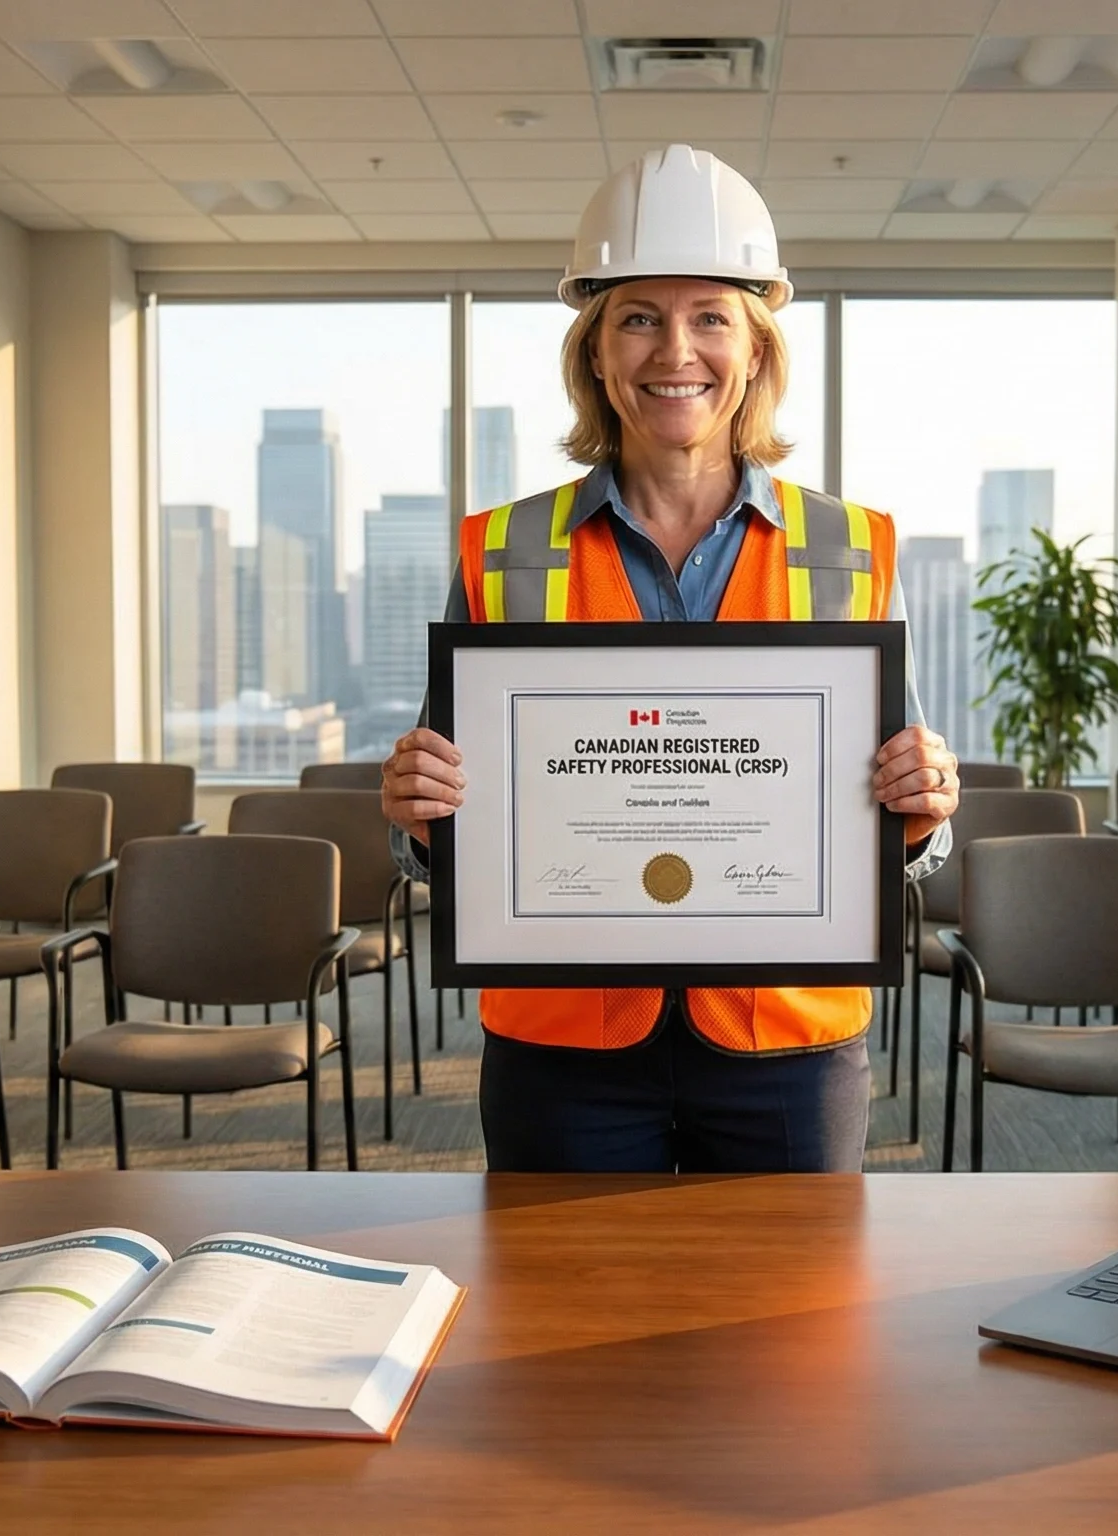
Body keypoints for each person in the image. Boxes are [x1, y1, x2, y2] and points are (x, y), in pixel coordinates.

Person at [381, 144, 961, 1175]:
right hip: (564, 1039)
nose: (672, 350)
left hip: (785, 1035)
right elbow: (447, 829)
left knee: (791, 1329)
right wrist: (418, 818)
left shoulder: (853, 548)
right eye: (638, 317)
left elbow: (903, 833)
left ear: (755, 351)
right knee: (557, 1324)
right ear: (596, 353)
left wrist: (926, 803)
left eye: (709, 318)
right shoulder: (504, 550)